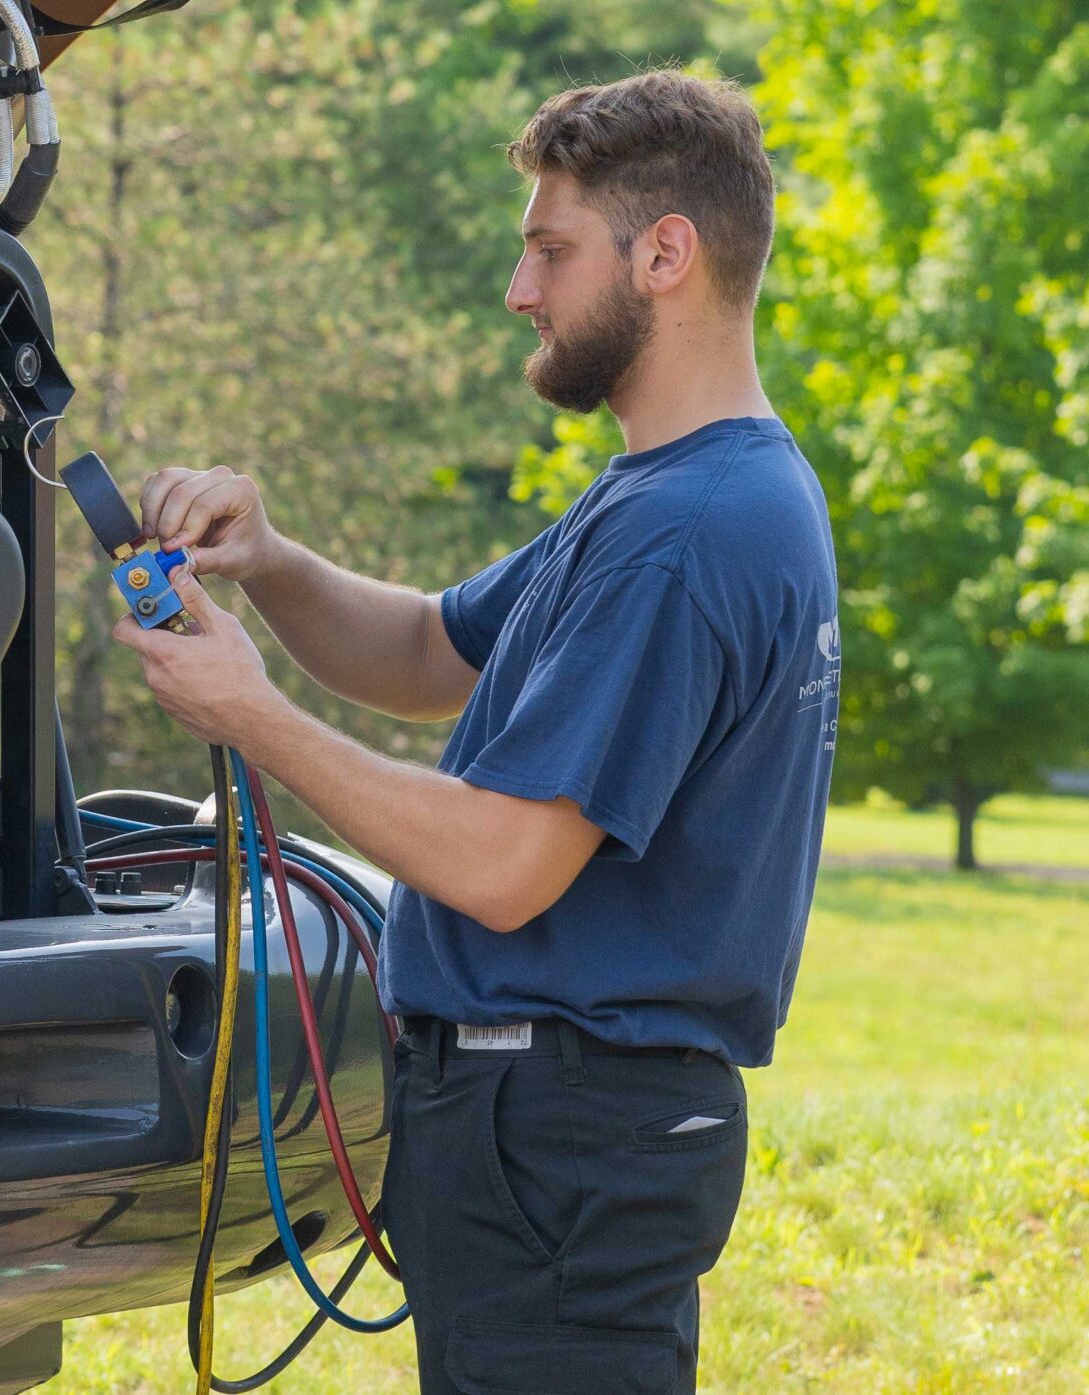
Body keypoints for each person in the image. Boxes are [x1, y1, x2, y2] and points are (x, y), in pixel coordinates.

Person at [114, 70, 837, 1393]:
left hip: (561, 1136)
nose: (521, 291)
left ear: (665, 253)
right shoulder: (672, 495)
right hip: (560, 1133)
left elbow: (508, 865)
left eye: (549, 250)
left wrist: (253, 719)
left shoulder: (685, 532)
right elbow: (424, 653)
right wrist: (271, 562)